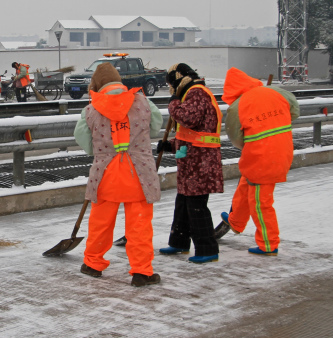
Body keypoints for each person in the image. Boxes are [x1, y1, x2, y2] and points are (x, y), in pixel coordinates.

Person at [75, 63, 163, 286]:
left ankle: (93, 263)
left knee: (101, 223)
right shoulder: (144, 102)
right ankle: (142, 271)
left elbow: (85, 143)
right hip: (139, 174)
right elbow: (154, 128)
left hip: (105, 174)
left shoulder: (90, 110)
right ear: (119, 80)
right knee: (140, 225)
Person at [219, 67, 300, 256]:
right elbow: (294, 111)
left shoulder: (238, 106)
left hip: (260, 157)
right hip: (282, 150)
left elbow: (235, 137)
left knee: (260, 202)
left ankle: (268, 244)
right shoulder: (276, 92)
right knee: (245, 184)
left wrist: (253, 139)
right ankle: (236, 222)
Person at [156, 63, 224, 263]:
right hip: (191, 160)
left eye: (171, 85)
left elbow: (188, 118)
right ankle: (179, 241)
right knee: (183, 203)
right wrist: (169, 146)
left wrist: (173, 104)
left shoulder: (197, 93)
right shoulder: (191, 94)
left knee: (196, 206)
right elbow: (191, 134)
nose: (171, 90)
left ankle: (207, 248)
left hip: (202, 162)